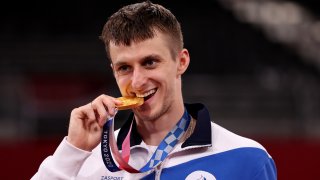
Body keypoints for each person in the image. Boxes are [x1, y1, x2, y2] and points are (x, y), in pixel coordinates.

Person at [32, 1, 277, 179]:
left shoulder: (246, 158)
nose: (137, 82)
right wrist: (72, 151)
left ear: (181, 62)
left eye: (150, 62)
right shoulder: (89, 160)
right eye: (125, 67)